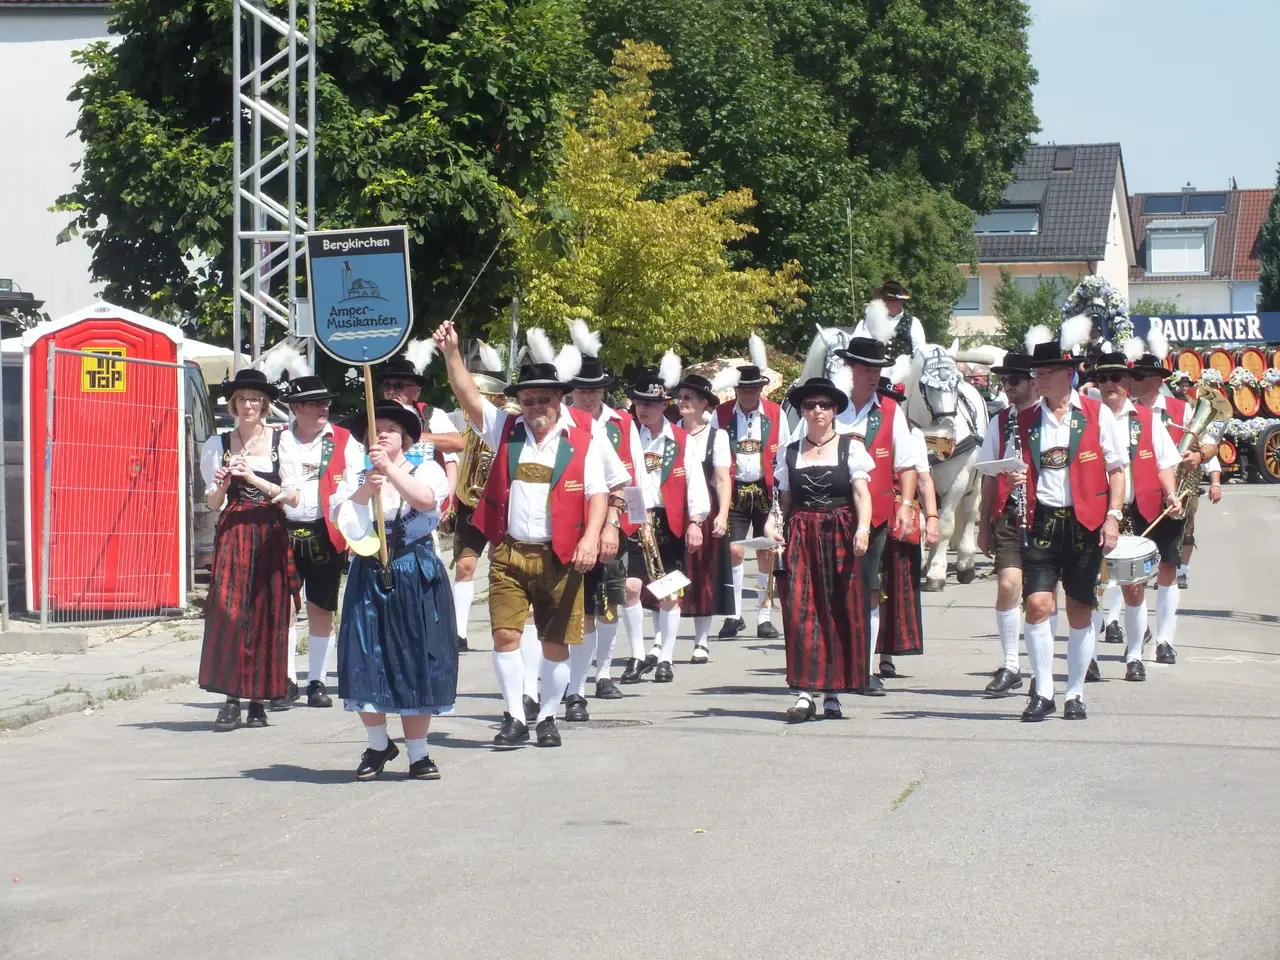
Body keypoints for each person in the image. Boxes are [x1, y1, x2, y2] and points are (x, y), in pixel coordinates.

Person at [436, 321, 609, 749]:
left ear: (559, 400)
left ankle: (548, 716)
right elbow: (468, 397)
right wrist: (452, 353)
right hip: (510, 554)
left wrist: (591, 538)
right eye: (528, 400)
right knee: (505, 636)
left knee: (554, 645)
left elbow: (599, 492)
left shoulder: (585, 438)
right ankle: (514, 714)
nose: (535, 406)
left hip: (561, 555)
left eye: (543, 399)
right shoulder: (506, 430)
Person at [331, 401, 457, 780]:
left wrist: (389, 471)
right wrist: (366, 490)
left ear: (404, 436)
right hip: (370, 572)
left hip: (414, 570)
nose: (382, 433)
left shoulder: (427, 468)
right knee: (366, 656)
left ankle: (419, 754)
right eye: (375, 428)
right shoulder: (356, 475)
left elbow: (426, 500)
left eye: (390, 428)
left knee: (416, 658)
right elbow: (346, 522)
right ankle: (377, 744)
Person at [1015, 340, 1127, 722]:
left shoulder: (1096, 414)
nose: (1039, 379)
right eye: (1037, 373)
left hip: (1086, 521)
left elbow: (1116, 470)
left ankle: (1074, 692)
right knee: (1037, 605)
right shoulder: (1026, 418)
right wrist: (1016, 475)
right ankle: (1043, 689)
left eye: (1047, 372)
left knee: (1080, 609)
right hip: (1043, 519)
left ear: (1068, 374)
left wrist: (1113, 516)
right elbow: (1023, 467)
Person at [199, 369, 301, 730]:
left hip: (269, 530)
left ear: (265, 404)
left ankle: (258, 697)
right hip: (234, 532)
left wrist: (254, 477)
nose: (249, 406)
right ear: (234, 404)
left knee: (266, 611)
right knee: (229, 610)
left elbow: (293, 496)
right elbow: (212, 504)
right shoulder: (219, 443)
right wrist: (223, 483)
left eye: (255, 399)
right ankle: (230, 696)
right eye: (242, 399)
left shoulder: (280, 443)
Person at [770, 377, 874, 721]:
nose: (817, 410)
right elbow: (783, 501)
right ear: (802, 411)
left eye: (824, 405)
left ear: (834, 411)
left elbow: (861, 493)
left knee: (836, 609)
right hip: (801, 532)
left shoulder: (851, 447)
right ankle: (803, 691)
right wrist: (774, 526)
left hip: (840, 531)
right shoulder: (789, 452)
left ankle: (833, 692)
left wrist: (862, 528)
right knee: (799, 609)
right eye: (811, 405)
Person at [830, 337, 921, 695]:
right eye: (867, 368)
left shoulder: (890, 410)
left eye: (878, 369)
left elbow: (907, 463)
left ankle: (865, 668)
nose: (873, 375)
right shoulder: (828, 407)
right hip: (831, 511)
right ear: (851, 369)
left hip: (878, 513)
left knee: (869, 590)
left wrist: (907, 504)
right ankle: (834, 664)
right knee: (833, 589)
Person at [1090, 352, 1181, 681]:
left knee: (1134, 588)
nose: (1110, 384)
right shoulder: (1087, 418)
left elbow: (1164, 463)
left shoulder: (1146, 419)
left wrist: (1170, 494)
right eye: (1103, 379)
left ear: (1128, 382)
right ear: (1096, 384)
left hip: (1137, 514)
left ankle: (1133, 657)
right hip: (1093, 513)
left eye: (1116, 377)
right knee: (1090, 587)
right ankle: (1089, 657)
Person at [276, 376, 363, 709]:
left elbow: (357, 488)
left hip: (326, 531)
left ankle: (317, 681)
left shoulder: (343, 439)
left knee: (322, 607)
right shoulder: (280, 441)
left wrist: (355, 530)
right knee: (284, 607)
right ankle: (285, 679)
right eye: (315, 402)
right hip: (285, 528)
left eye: (326, 401)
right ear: (296, 408)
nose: (324, 407)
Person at [1126, 348, 1217, 659]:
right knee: (1130, 573)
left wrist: (1199, 456)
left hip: (1172, 497)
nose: (1131, 381)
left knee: (1168, 567)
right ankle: (1133, 639)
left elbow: (1210, 442)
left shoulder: (1180, 409)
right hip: (1133, 498)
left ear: (1155, 379)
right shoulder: (1125, 411)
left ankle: (1164, 640)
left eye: (1136, 376)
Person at [563, 348, 640, 715]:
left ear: (603, 391)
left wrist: (636, 523)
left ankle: (605, 672)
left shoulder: (621, 423)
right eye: (581, 390)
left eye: (594, 390)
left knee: (611, 600)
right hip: (572, 525)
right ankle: (571, 681)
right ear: (572, 392)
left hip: (615, 522)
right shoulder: (564, 421)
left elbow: (634, 473)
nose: (588, 396)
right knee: (581, 607)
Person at [621, 370, 710, 683]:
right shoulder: (628, 436)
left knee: (669, 591)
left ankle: (666, 659)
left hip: (668, 519)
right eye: (640, 402)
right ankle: (635, 655)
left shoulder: (681, 441)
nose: (644, 409)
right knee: (631, 586)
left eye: (652, 403)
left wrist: (696, 521)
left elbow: (696, 483)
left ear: (664, 406)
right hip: (633, 516)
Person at [976, 351, 1040, 695]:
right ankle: (1011, 664)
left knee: (1041, 596)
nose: (1007, 388)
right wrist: (984, 524)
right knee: (1008, 584)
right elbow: (988, 475)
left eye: (1013, 381)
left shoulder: (1048, 416)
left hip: (1044, 512)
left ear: (1033, 381)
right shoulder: (1000, 421)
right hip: (1010, 513)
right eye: (1004, 381)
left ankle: (1041, 669)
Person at [716, 343, 790, 640]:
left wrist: (782, 494)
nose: (748, 395)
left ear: (762, 389)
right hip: (733, 488)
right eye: (743, 390)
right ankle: (734, 615)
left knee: (765, 552)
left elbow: (784, 452)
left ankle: (763, 615)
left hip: (765, 487)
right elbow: (715, 452)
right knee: (734, 550)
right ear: (735, 391)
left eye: (753, 389)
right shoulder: (720, 414)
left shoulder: (775, 413)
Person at [446, 344, 508, 654]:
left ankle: (504, 626)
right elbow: (457, 463)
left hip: (501, 507)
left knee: (503, 568)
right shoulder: (464, 427)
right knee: (465, 566)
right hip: (470, 504)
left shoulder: (504, 424)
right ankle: (458, 631)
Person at [875, 390, 939, 679]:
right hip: (864, 512)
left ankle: (887, 654)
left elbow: (924, 479)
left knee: (894, 585)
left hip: (899, 513)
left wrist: (932, 517)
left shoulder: (910, 434)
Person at [675, 373, 734, 664]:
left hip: (705, 510)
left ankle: (701, 641)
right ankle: (663, 642)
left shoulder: (717, 435)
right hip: (675, 509)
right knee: (670, 574)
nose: (681, 402)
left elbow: (722, 478)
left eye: (688, 398)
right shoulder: (671, 432)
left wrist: (723, 514)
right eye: (680, 397)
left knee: (703, 576)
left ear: (703, 404)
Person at [852, 281, 926, 360]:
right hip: (875, 369)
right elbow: (860, 345)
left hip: (903, 370)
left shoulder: (913, 322)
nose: (885, 303)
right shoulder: (871, 320)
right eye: (884, 300)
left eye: (890, 300)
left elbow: (919, 353)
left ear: (900, 301)